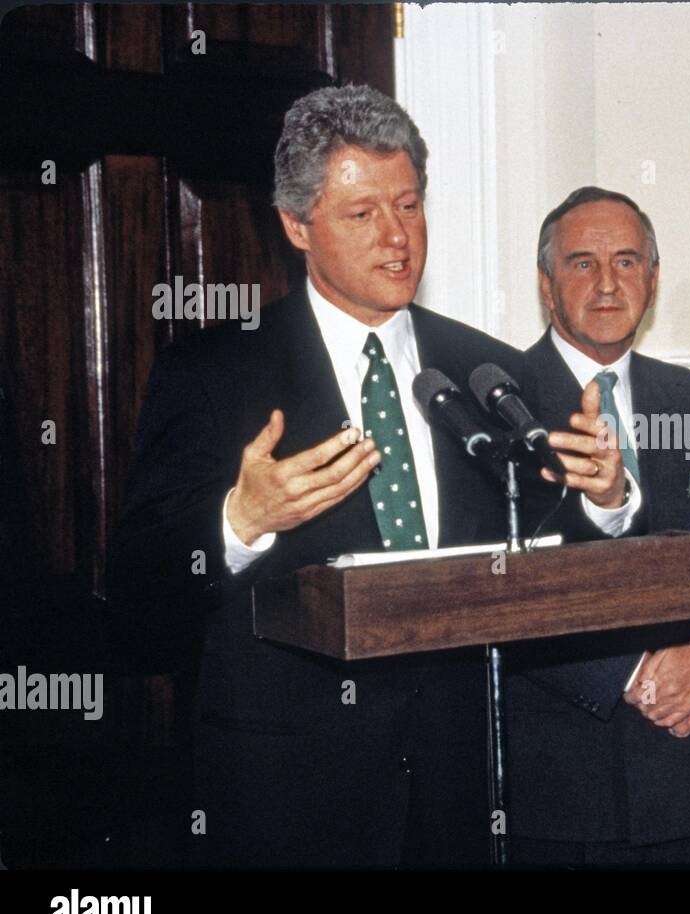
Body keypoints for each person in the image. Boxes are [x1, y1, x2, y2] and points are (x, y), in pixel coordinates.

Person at [107, 84, 525, 867]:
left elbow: (536, 560)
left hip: (460, 798)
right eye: (362, 214)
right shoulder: (214, 374)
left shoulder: (480, 369)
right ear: (297, 225)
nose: (398, 237)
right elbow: (134, 598)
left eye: (409, 204)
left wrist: (604, 498)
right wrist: (239, 519)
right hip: (286, 803)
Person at [503, 187, 690, 864]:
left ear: (652, 281)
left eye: (627, 262)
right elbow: (494, 585)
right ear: (546, 283)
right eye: (581, 263)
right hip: (559, 787)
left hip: (688, 769)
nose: (606, 283)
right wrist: (632, 675)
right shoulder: (499, 400)